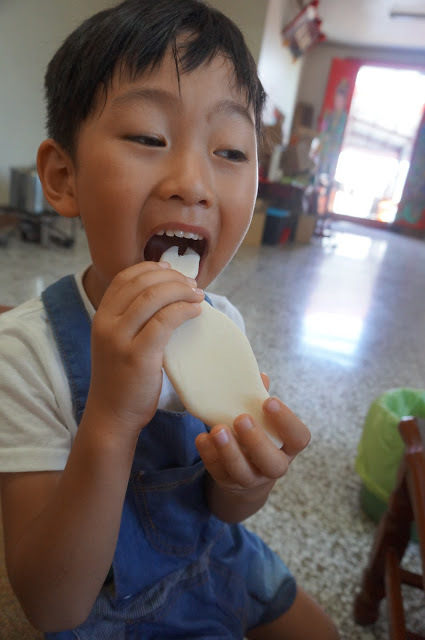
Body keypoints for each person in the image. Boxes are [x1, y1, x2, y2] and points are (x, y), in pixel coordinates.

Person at [0, 1, 339, 638]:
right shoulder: (23, 356)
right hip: (111, 608)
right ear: (64, 177)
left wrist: (247, 480)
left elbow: (224, 512)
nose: (193, 183)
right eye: (149, 138)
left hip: (217, 557)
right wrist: (109, 418)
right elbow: (52, 606)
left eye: (231, 150)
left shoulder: (222, 324)